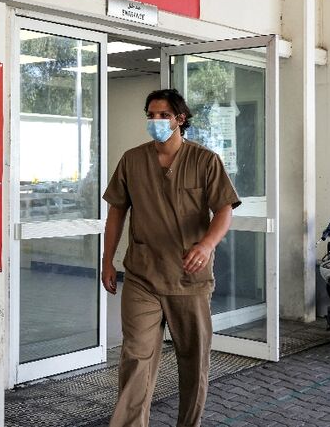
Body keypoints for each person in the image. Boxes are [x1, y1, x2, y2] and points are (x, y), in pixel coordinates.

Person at [102, 89, 240, 427]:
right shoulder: (132, 160)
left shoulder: (204, 160)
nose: (155, 121)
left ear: (180, 119)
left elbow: (224, 210)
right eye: (150, 115)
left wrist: (206, 245)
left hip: (188, 279)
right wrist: (108, 261)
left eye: (163, 115)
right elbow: (116, 213)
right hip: (142, 276)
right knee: (135, 358)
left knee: (194, 361)